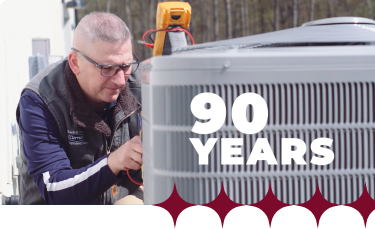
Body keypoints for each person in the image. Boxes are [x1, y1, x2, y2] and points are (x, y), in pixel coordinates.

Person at [16, 12, 144, 205]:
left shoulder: (142, 85)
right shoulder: (40, 100)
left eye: (125, 66)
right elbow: (55, 190)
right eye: (107, 68)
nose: (120, 80)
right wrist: (113, 163)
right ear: (75, 63)